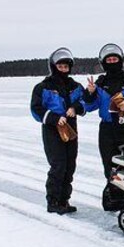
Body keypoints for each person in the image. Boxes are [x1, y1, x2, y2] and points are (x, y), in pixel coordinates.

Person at [83, 43, 124, 211]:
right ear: (104, 63)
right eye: (109, 59)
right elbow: (89, 106)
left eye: (115, 59)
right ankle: (115, 199)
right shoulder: (100, 83)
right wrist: (89, 93)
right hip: (108, 129)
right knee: (110, 165)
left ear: (121, 61)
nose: (112, 62)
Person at [30, 47, 86, 214]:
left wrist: (75, 108)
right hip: (52, 131)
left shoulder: (75, 86)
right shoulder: (43, 87)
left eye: (66, 67)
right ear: (54, 67)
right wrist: (54, 118)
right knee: (58, 165)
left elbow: (85, 103)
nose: (63, 69)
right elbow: (36, 109)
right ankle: (53, 201)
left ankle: (64, 200)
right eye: (60, 66)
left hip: (71, 130)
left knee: (70, 165)